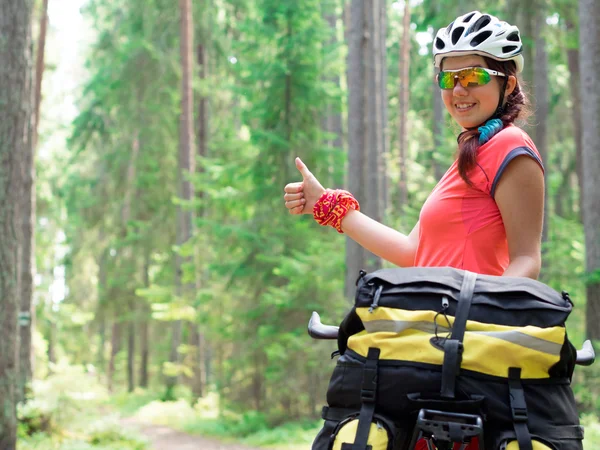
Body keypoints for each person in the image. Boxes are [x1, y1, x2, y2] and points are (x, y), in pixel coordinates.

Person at [284, 10, 545, 280]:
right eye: (448, 78)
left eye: (471, 77)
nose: (458, 90)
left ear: (508, 83)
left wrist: (481, 315)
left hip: (468, 320)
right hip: (434, 318)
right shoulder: (471, 156)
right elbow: (413, 252)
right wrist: (325, 203)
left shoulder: (510, 146)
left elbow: (526, 260)